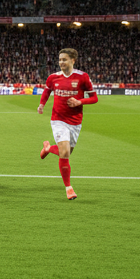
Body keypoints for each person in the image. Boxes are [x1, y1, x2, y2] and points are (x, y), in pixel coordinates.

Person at [38, 47, 98, 201]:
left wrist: (80, 101)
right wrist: (41, 104)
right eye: (59, 60)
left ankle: (48, 148)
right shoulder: (53, 78)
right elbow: (47, 91)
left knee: (66, 153)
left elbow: (94, 98)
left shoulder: (82, 77)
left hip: (75, 122)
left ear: (73, 60)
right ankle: (69, 188)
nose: (61, 63)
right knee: (65, 153)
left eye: (64, 59)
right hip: (58, 119)